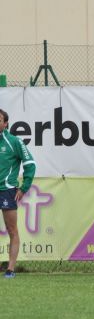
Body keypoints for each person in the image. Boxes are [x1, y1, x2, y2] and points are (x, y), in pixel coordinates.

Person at [0, 109, 36, 279]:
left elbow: (30, 163)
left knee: (12, 229)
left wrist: (24, 187)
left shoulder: (14, 142)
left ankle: (10, 270)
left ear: (6, 123)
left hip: (6, 190)